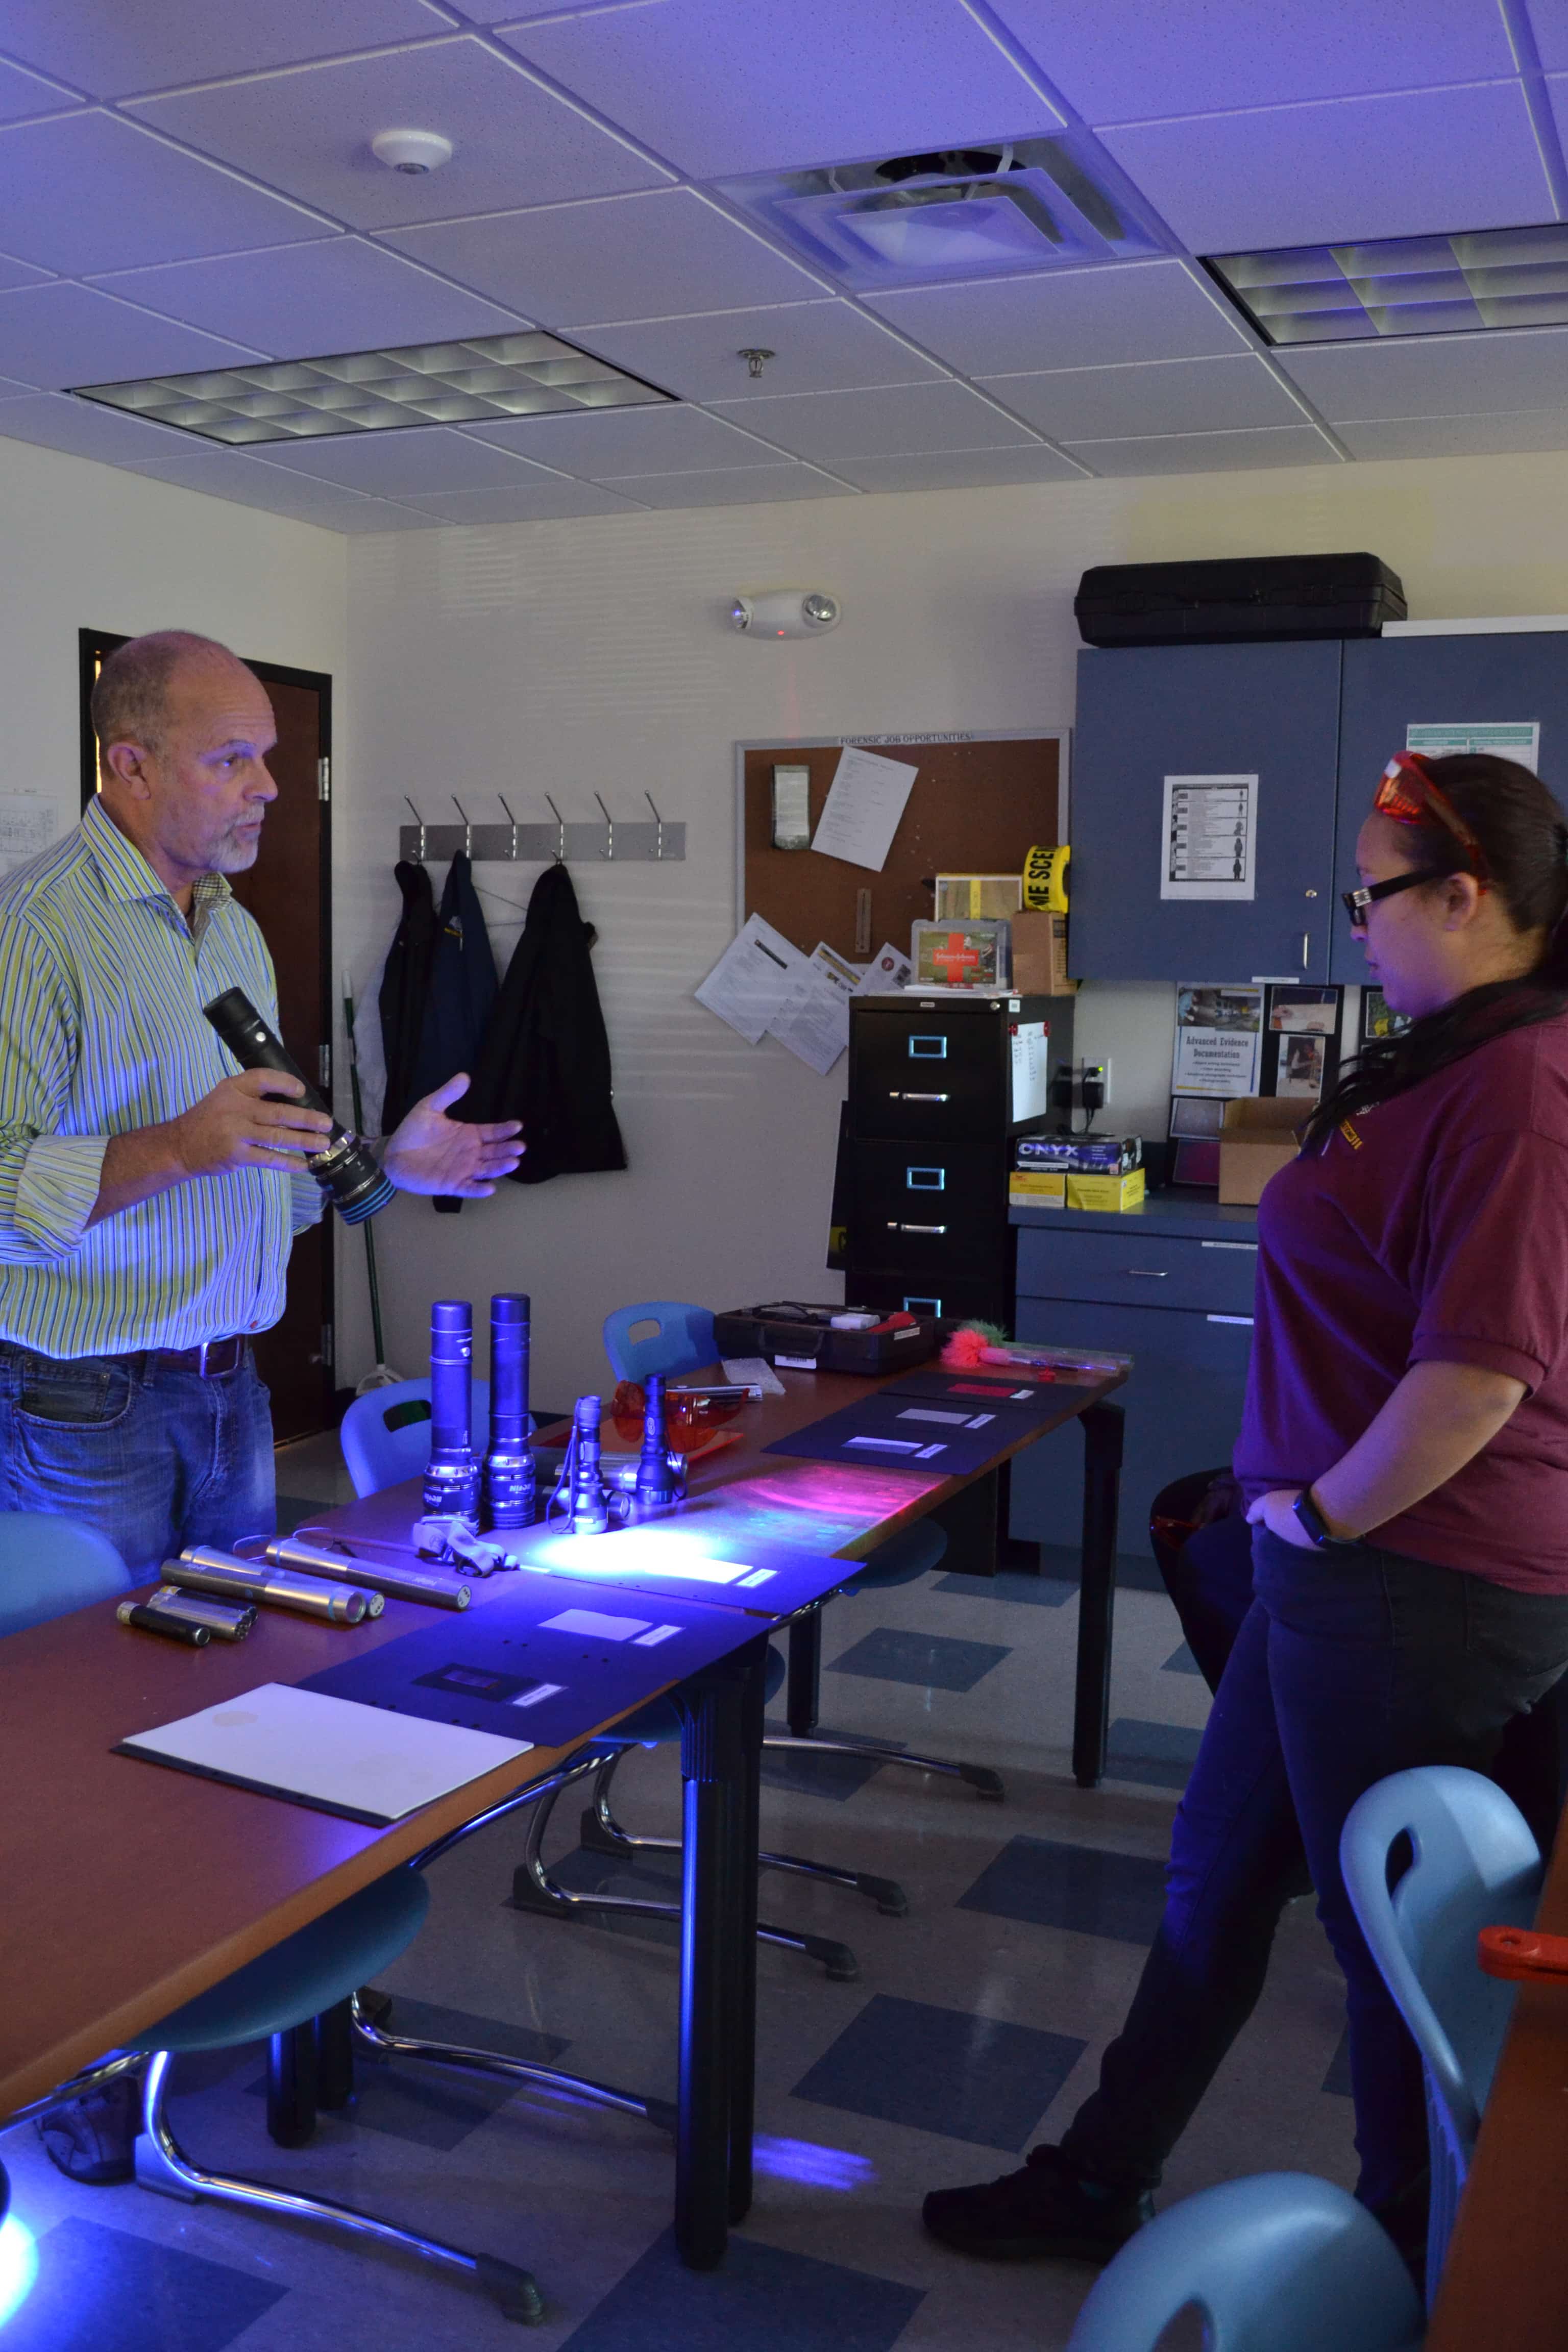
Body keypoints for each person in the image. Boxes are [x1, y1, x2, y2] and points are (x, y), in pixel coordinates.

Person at [924, 749, 1568, 2284]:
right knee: (1218, 1883)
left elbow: (1478, 1379)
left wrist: (1327, 1521)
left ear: (1466, 898)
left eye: (1374, 893)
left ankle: (1437, 2272)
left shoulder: (1522, 1089)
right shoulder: (1449, 1054)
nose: (1354, 921)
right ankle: (1099, 2177)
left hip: (1416, 1579)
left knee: (1384, 1950)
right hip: (1343, 1577)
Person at [0, 630, 522, 2182]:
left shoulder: (232, 936)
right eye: (234, 757)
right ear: (129, 761)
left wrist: (385, 1174)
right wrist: (179, 1145)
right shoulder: (34, 934)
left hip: (230, 1393)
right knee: (86, 1750)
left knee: (241, 1715)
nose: (267, 790)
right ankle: (76, 2070)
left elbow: (256, 1178)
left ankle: (223, 1993)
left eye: (273, 761)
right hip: (80, 1401)